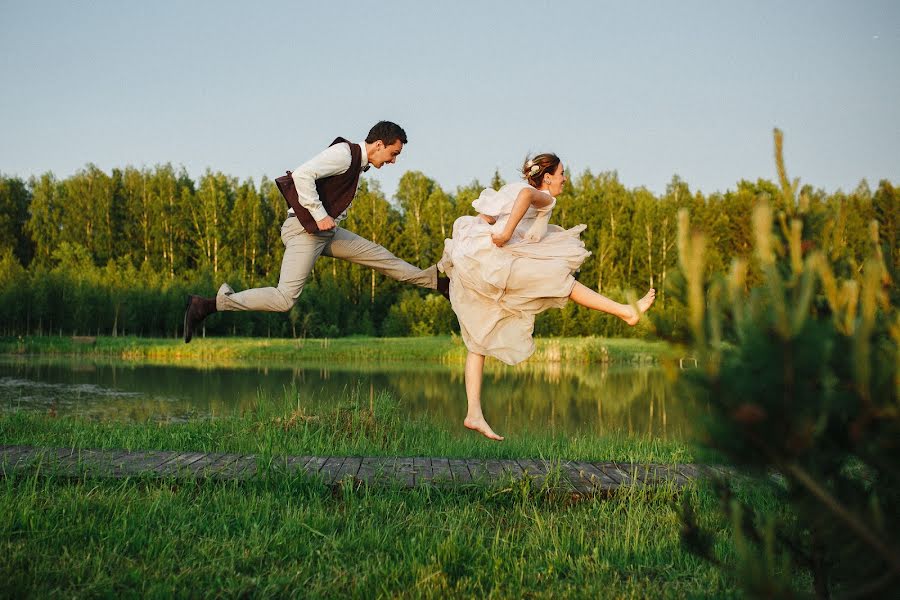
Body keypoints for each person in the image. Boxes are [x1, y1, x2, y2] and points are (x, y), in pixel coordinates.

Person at [438, 153, 656, 440]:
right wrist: (504, 235)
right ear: (548, 176)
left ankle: (473, 412)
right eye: (562, 173)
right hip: (495, 258)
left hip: (479, 258)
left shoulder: (510, 190)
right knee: (557, 279)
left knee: (479, 334)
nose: (565, 179)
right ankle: (625, 312)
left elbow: (486, 216)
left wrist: (480, 243)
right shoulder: (543, 195)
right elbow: (528, 196)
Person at [183, 121, 449, 342]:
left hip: (325, 234)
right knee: (284, 298)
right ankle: (208, 305)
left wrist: (326, 221)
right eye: (394, 153)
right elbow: (302, 175)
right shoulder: (345, 153)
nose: (393, 161)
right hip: (304, 231)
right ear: (379, 144)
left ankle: (437, 281)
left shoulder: (358, 163)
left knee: (379, 256)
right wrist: (320, 216)